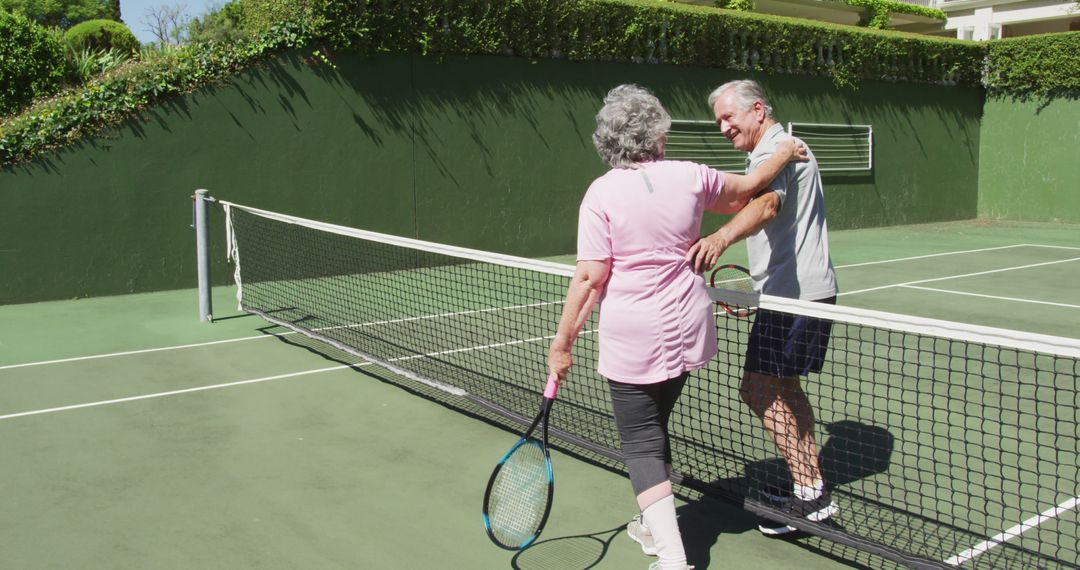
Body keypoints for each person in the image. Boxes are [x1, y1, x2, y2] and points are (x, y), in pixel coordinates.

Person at [547, 84, 806, 570]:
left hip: (633, 336)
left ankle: (672, 558)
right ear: (657, 133)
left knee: (641, 442)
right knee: (655, 421)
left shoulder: (601, 192)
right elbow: (748, 189)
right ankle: (651, 523)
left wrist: (561, 344)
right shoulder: (691, 176)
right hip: (688, 327)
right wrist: (785, 151)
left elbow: (589, 277)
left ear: (609, 141)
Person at [687, 79, 840, 536]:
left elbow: (767, 206)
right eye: (718, 121)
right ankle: (808, 489)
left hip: (792, 297)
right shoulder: (782, 147)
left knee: (756, 390)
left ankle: (812, 495)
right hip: (805, 292)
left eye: (727, 118)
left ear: (757, 110)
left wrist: (719, 237)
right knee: (786, 389)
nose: (722, 128)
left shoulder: (775, 149)